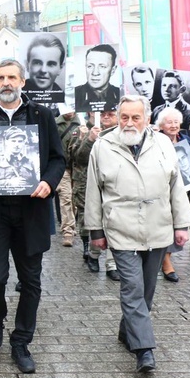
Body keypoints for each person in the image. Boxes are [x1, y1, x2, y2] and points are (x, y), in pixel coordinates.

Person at [0, 59, 65, 374]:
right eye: (1, 77)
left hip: (31, 208)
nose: (6, 82)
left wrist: (48, 181)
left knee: (31, 279)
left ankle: (21, 340)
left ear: (22, 81)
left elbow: (57, 159)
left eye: (11, 77)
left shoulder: (41, 116)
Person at [86, 95, 190, 373]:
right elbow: (93, 192)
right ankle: (144, 350)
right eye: (124, 117)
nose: (129, 123)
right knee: (132, 288)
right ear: (119, 118)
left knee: (147, 289)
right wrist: (96, 231)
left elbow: (176, 186)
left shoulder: (163, 145)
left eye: (136, 117)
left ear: (146, 118)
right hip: (120, 228)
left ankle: (128, 330)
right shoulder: (103, 146)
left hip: (158, 227)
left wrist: (182, 225)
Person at [68, 110, 120, 280]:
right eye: (102, 113)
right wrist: (89, 139)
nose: (106, 117)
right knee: (92, 220)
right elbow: (76, 157)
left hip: (115, 184)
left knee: (115, 222)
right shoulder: (81, 130)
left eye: (111, 114)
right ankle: (93, 253)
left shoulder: (123, 133)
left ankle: (112, 264)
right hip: (88, 183)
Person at [156, 107, 190, 282]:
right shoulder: (156, 141)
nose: (173, 125)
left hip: (188, 185)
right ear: (161, 125)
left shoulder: (186, 140)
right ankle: (166, 262)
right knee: (167, 220)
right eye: (169, 122)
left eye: (176, 122)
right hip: (165, 186)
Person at [0, 126, 39, 195]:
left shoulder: (30, 161)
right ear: (7, 142)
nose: (17, 144)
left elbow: (36, 183)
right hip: (1, 199)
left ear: (23, 143)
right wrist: (10, 183)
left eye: (20, 141)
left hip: (25, 200)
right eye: (13, 141)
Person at [55, 106, 79, 247]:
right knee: (66, 197)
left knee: (74, 199)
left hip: (76, 167)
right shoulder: (56, 125)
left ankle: (71, 223)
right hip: (62, 167)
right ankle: (68, 231)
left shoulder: (80, 124)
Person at [74, 44, 120, 112]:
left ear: (113, 70)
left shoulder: (119, 94)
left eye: (102, 66)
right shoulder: (75, 95)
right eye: (90, 66)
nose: (95, 73)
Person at [23, 34, 65, 101]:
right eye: (37, 63)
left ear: (60, 68)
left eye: (51, 64)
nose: (43, 70)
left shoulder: (65, 100)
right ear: (27, 65)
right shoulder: (17, 96)